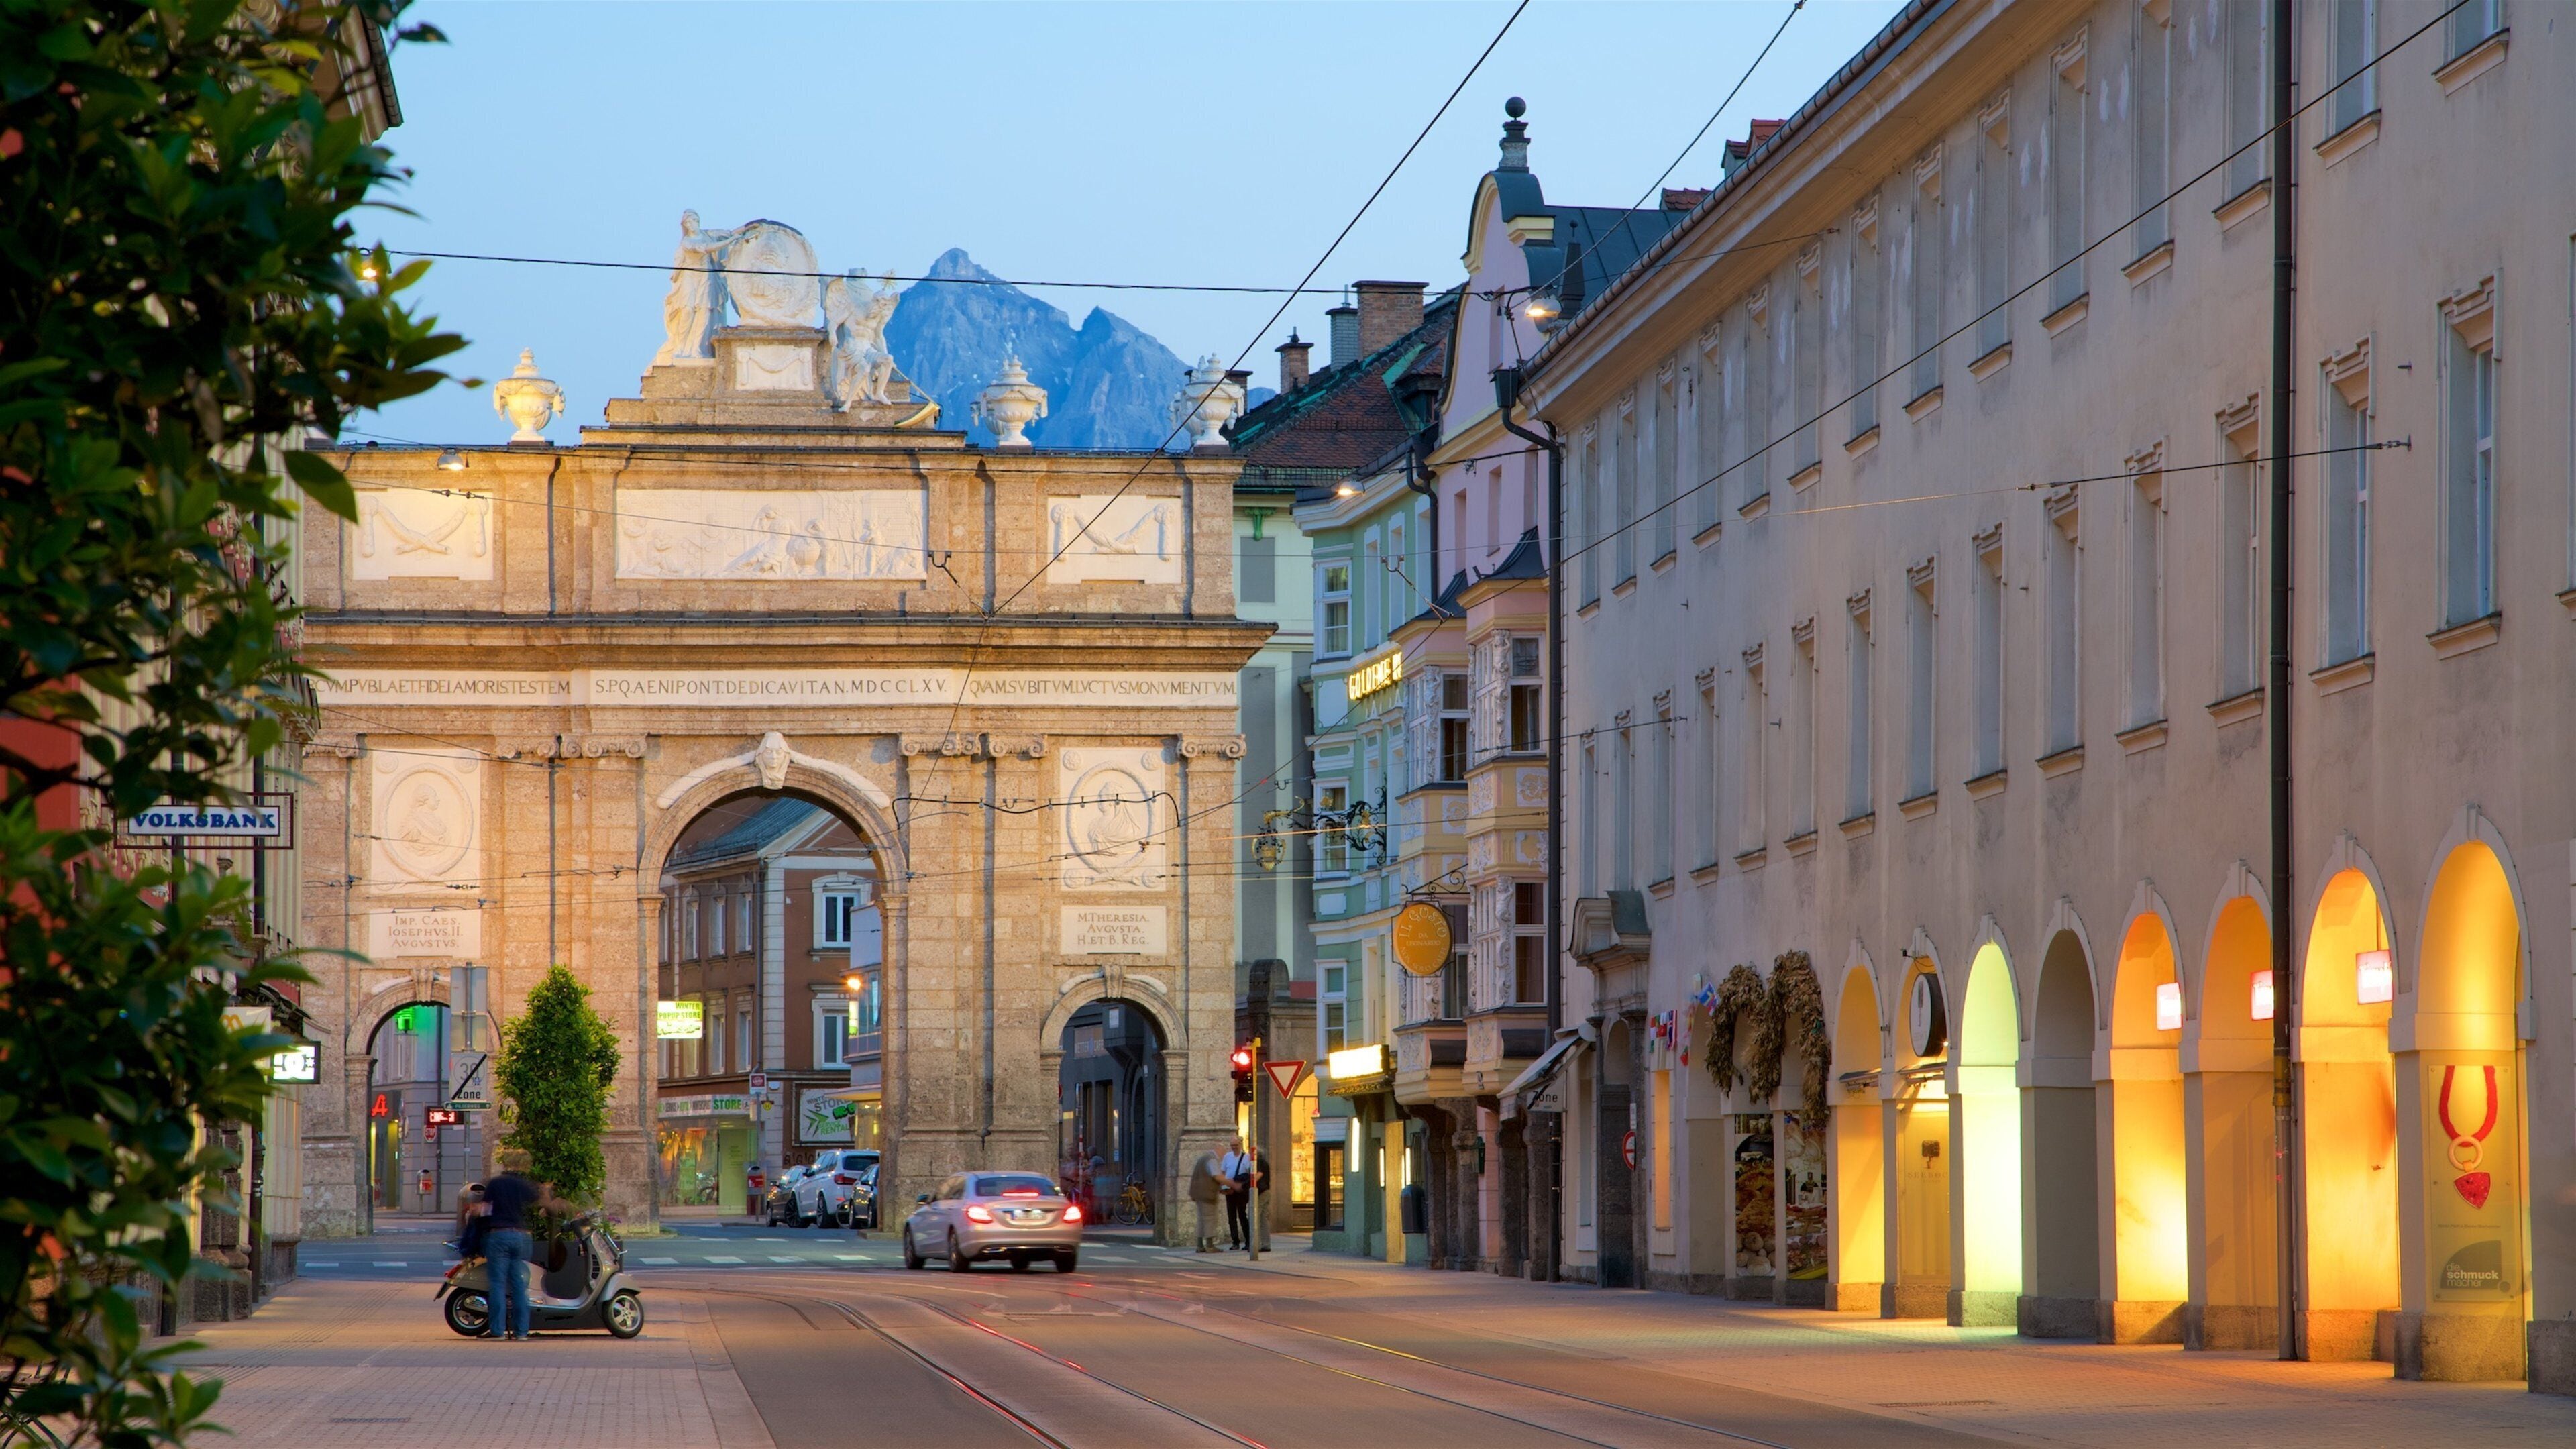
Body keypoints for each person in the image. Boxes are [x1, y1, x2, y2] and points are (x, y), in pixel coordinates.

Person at [478, 1163, 539, 1341]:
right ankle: (522, 1332)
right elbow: (536, 1200)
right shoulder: (522, 1184)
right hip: (521, 1236)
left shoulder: (496, 1183)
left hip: (499, 1235)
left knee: (497, 1284)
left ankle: (498, 1331)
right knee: (519, 1285)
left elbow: (486, 1210)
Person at [1187, 1146, 1225, 1254]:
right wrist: (1231, 1183)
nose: (1223, 1155)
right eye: (1223, 1152)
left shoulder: (1203, 1158)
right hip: (1207, 1194)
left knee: (1201, 1220)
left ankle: (1200, 1245)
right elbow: (1216, 1176)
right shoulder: (1212, 1160)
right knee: (1210, 1219)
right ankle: (1210, 1245)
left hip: (1199, 1194)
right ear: (1218, 1151)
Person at [1219, 1136, 1254, 1251]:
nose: (1234, 1148)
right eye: (1232, 1146)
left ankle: (1248, 1241)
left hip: (1240, 1190)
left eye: (1236, 1145)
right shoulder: (1227, 1157)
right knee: (1231, 1217)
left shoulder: (1246, 1157)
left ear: (1241, 1144)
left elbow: (1249, 1173)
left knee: (1242, 1215)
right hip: (1230, 1189)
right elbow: (1223, 1172)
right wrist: (1222, 1186)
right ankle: (1235, 1242)